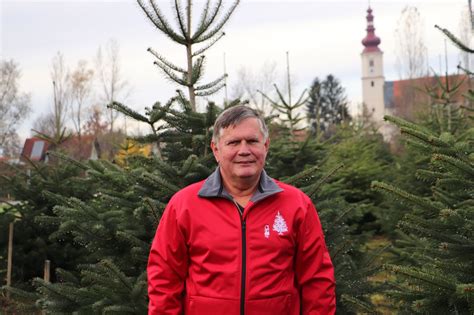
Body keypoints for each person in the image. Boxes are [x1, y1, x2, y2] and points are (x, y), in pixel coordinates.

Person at [147, 105, 335, 315]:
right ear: (216, 149)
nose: (244, 150)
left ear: (266, 146)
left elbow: (317, 280)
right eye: (233, 142)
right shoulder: (184, 206)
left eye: (252, 141)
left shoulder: (297, 205)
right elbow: (164, 279)